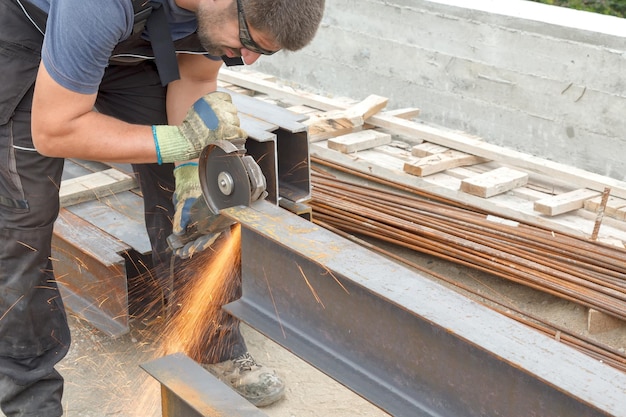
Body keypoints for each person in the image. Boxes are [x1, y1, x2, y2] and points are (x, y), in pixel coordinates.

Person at [0, 0, 325, 415]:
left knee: (204, 191)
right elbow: (55, 129)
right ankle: (31, 397)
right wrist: (175, 142)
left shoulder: (217, 13)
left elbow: (195, 75)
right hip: (34, 39)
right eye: (249, 42)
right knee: (21, 223)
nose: (249, 59)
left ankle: (210, 343)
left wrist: (193, 164)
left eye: (265, 51)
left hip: (136, 42)